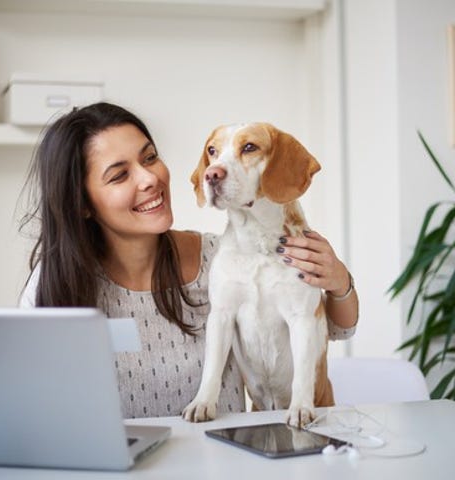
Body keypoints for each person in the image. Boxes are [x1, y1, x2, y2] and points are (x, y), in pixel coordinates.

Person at [19, 102, 359, 419]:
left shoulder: (221, 258)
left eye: (150, 158)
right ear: (83, 204)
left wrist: (339, 282)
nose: (149, 178)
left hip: (225, 459)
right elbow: (29, 402)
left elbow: (333, 329)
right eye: (120, 175)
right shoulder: (56, 283)